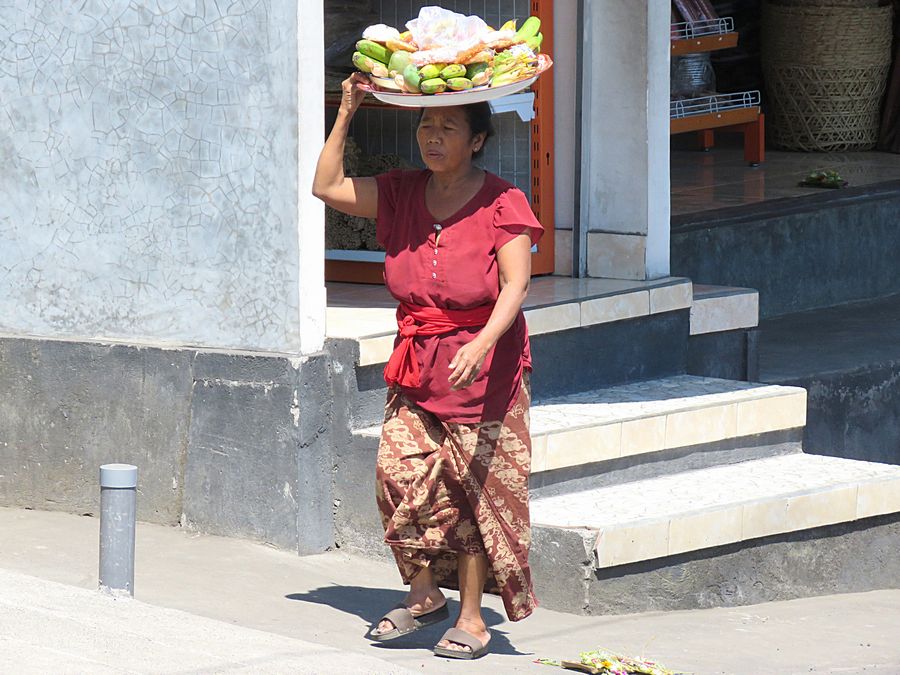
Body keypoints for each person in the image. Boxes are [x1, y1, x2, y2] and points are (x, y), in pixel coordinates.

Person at [313, 73, 542, 660]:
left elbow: (517, 285)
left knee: (472, 495)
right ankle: (424, 597)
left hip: (483, 370)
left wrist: (483, 343)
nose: (432, 136)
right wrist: (347, 110)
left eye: (447, 127)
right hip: (418, 363)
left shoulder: (503, 201)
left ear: (477, 141)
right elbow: (327, 185)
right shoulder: (400, 191)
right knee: (396, 475)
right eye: (425, 125)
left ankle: (471, 619)